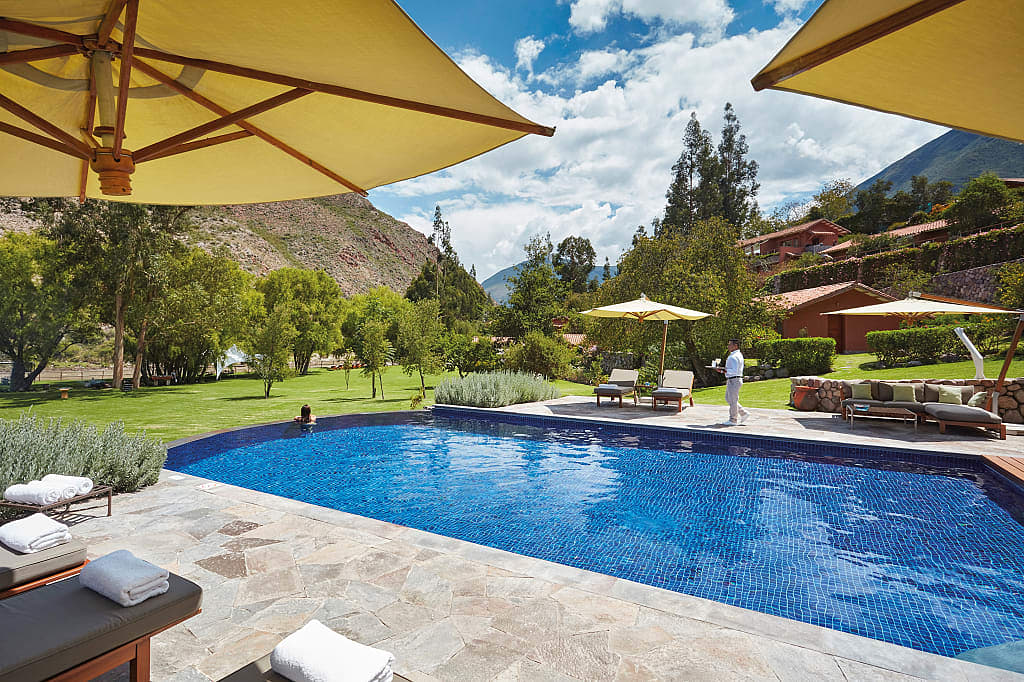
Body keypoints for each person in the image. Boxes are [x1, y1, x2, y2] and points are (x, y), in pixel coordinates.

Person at [714, 339, 749, 425]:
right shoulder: (736, 355)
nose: (728, 346)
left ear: (735, 346)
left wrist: (722, 371)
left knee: (733, 400)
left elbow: (733, 370)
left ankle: (733, 419)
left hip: (734, 380)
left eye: (730, 345)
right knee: (729, 398)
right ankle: (743, 413)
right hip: (733, 379)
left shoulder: (734, 357)